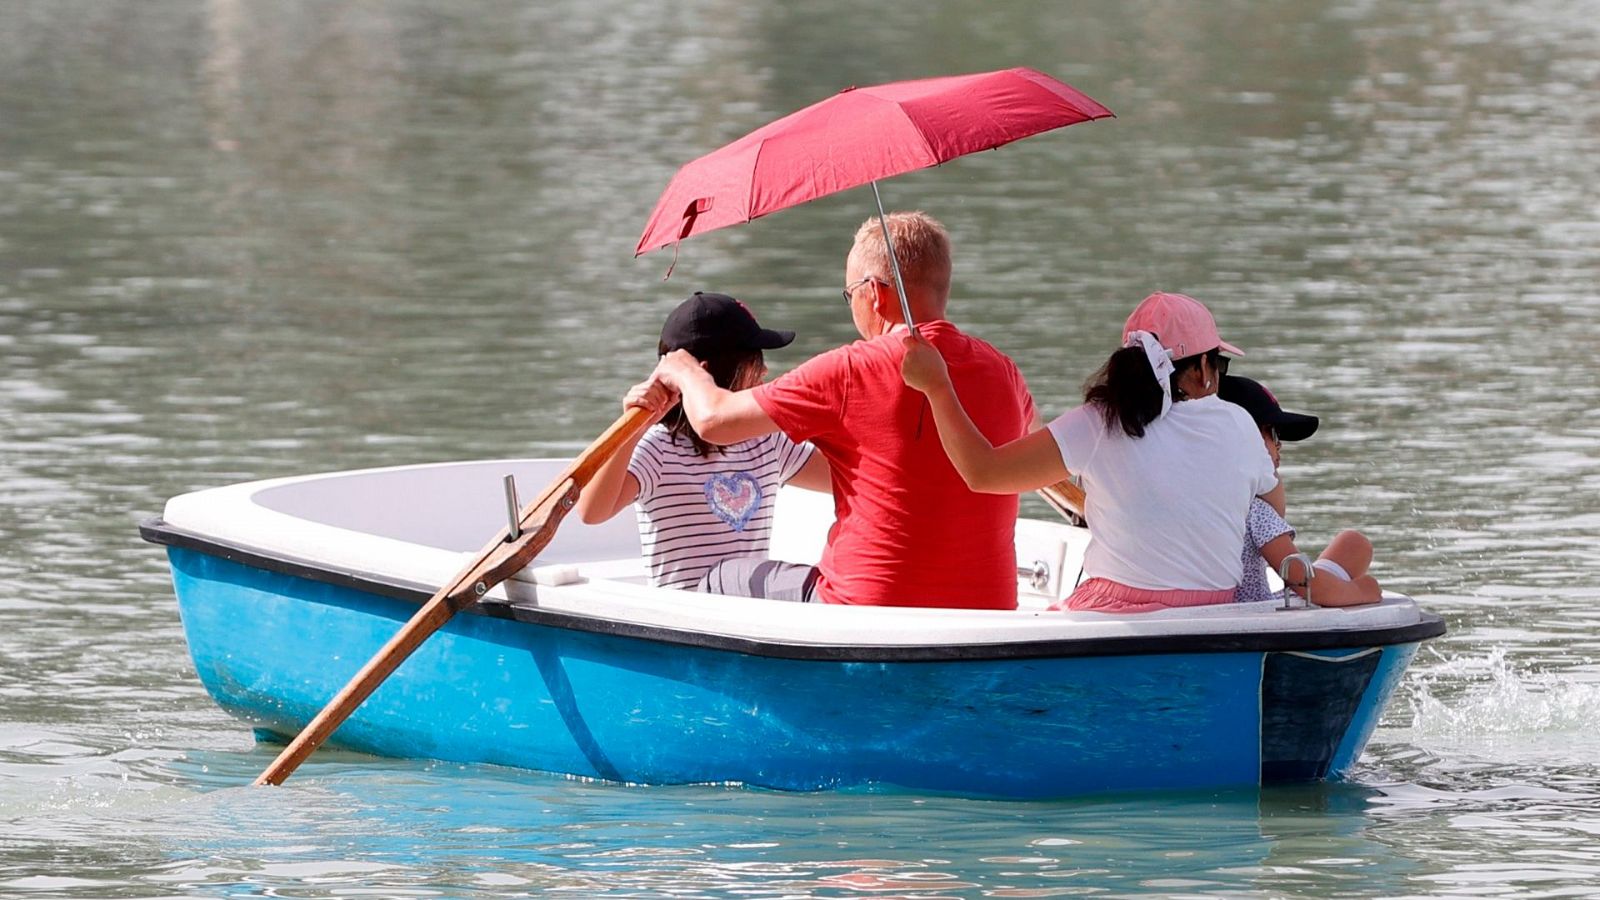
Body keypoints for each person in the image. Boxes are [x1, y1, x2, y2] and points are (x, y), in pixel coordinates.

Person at [650, 211, 1037, 608]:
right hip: (989, 611)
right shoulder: (1005, 371)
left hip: (866, 608)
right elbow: (1037, 460)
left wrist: (684, 369)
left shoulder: (848, 371)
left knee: (722, 576)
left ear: (875, 293)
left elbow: (714, 420)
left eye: (849, 295)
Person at [901, 291, 1278, 613]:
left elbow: (982, 473)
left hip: (1111, 610)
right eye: (1220, 363)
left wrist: (937, 387)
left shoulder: (1100, 422)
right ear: (1202, 369)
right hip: (1214, 610)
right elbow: (1272, 508)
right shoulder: (1241, 424)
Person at [575, 291, 830, 591]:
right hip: (687, 611)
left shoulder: (767, 441)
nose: (764, 370)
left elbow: (845, 476)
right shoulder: (660, 448)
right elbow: (592, 512)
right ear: (704, 374)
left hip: (748, 609)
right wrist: (634, 427)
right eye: (753, 361)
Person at [1218, 375, 1382, 606]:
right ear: (1245, 440)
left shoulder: (1200, 499)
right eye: (1273, 434)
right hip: (1252, 611)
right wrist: (1362, 591)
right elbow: (1308, 585)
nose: (1279, 445)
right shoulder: (1254, 510)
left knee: (1353, 543)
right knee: (1352, 549)